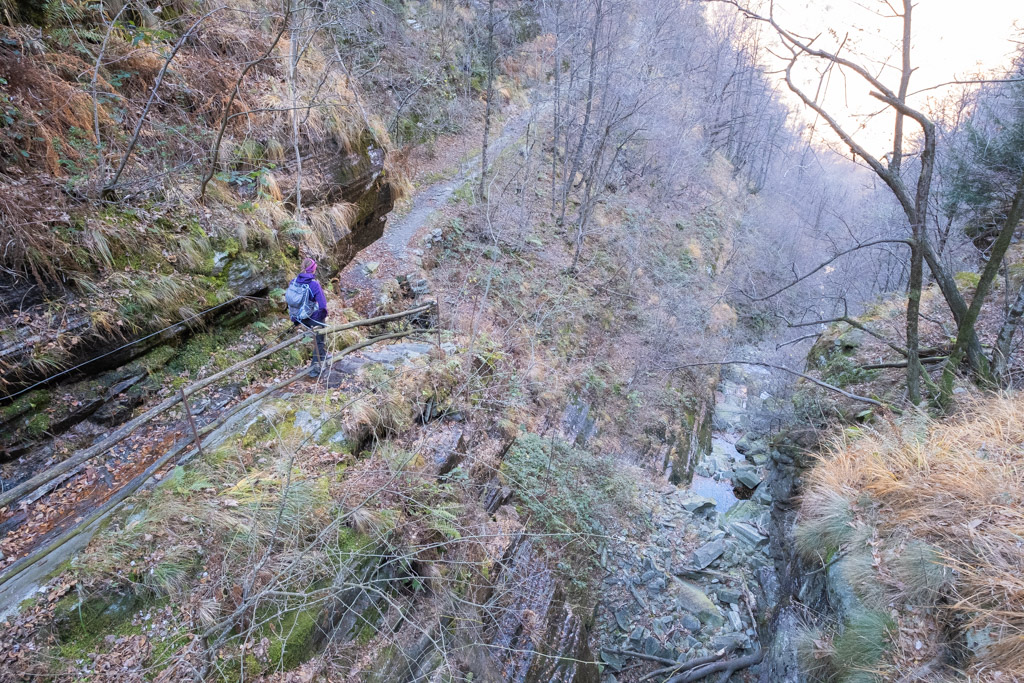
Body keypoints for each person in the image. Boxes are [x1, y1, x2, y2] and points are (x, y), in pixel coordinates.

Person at [286, 257, 329, 377]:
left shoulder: (293, 282)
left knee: (316, 339)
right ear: (314, 269)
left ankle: (323, 356)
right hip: (311, 317)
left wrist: (295, 319)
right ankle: (315, 370)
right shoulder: (314, 285)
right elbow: (323, 306)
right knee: (319, 340)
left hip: (300, 318)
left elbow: (292, 303)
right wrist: (320, 317)